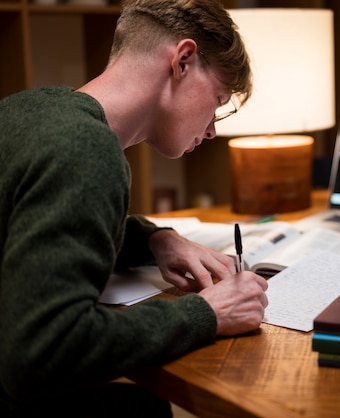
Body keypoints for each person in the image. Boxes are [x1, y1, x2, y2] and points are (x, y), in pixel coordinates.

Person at [0, 1, 268, 416]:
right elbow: (40, 352)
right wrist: (207, 313)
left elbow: (33, 221)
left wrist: (153, 239)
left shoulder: (31, 109)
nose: (213, 129)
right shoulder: (85, 151)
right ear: (183, 60)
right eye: (218, 100)